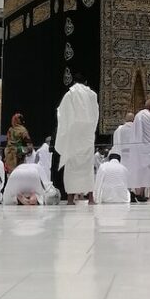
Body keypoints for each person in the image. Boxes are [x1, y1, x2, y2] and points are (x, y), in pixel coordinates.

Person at [55, 74, 99, 205]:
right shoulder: (92, 95)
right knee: (88, 167)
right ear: (85, 81)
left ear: (74, 81)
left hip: (74, 135)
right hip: (87, 135)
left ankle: (70, 198)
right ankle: (91, 198)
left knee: (71, 166)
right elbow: (96, 115)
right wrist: (91, 128)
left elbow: (63, 114)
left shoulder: (69, 95)